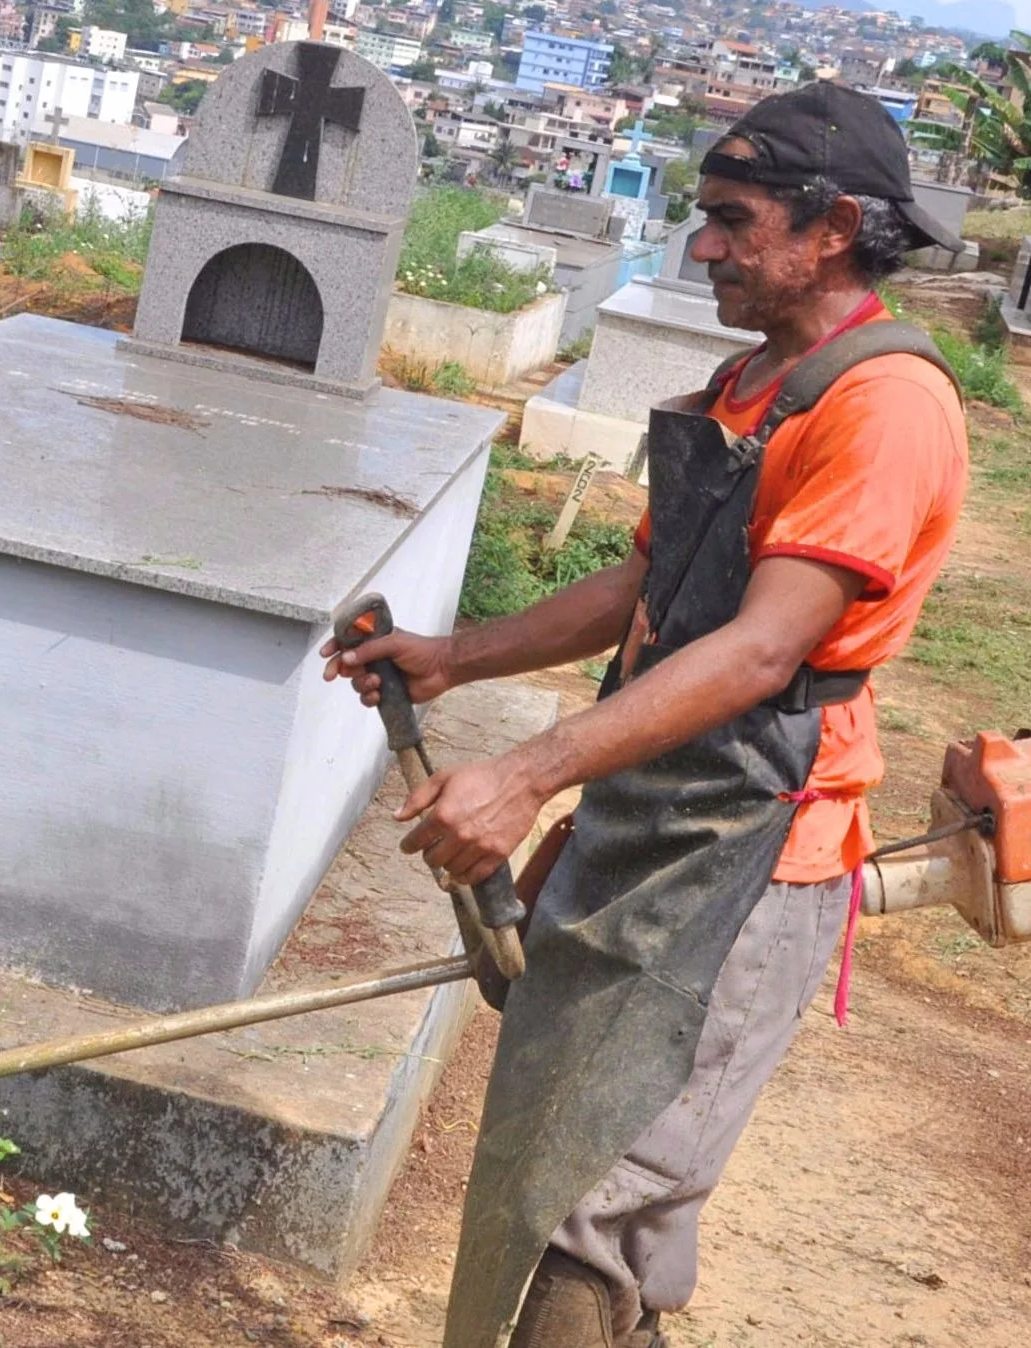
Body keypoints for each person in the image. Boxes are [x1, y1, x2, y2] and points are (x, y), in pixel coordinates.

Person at [322, 82, 969, 1348]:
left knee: (594, 1198)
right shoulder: (755, 381)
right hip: (660, 814)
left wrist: (526, 773)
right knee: (581, 1174)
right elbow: (651, 579)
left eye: (730, 221)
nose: (703, 247)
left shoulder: (880, 407)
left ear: (831, 225)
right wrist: (456, 657)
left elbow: (761, 646)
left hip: (754, 846)